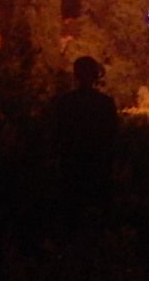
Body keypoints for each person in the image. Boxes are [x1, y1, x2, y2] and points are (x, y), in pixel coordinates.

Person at [50, 55, 119, 227]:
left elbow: (57, 133)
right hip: (99, 165)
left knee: (71, 213)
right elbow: (113, 134)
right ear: (96, 75)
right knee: (99, 214)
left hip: (71, 164)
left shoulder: (65, 103)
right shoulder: (105, 103)